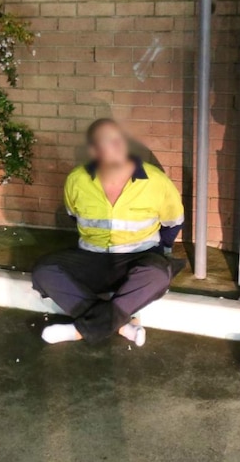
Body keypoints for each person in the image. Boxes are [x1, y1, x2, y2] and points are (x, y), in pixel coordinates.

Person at [31, 119, 185, 346]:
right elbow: (74, 215)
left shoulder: (156, 181)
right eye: (106, 142)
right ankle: (122, 325)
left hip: (138, 256)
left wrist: (161, 253)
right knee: (44, 271)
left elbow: (173, 223)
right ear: (93, 150)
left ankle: (78, 330)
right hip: (91, 257)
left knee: (158, 274)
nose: (115, 147)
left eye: (118, 140)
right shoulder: (76, 180)